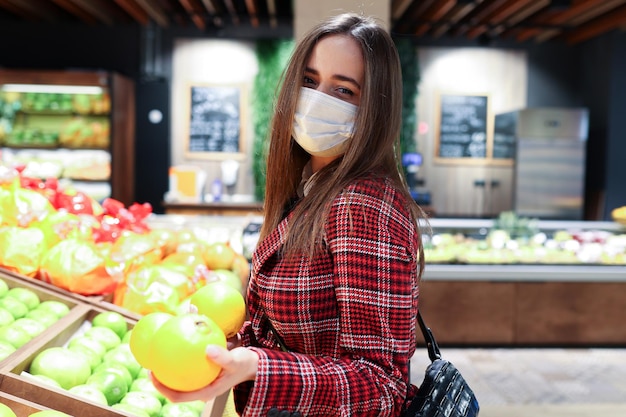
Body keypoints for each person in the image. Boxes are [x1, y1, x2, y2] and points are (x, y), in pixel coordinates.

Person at [152, 12, 427, 416]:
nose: (318, 99)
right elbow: (289, 335)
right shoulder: (309, 187)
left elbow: (382, 384)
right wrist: (232, 345)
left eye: (344, 90)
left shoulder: (364, 206)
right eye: (310, 81)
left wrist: (258, 366)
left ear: (374, 107)